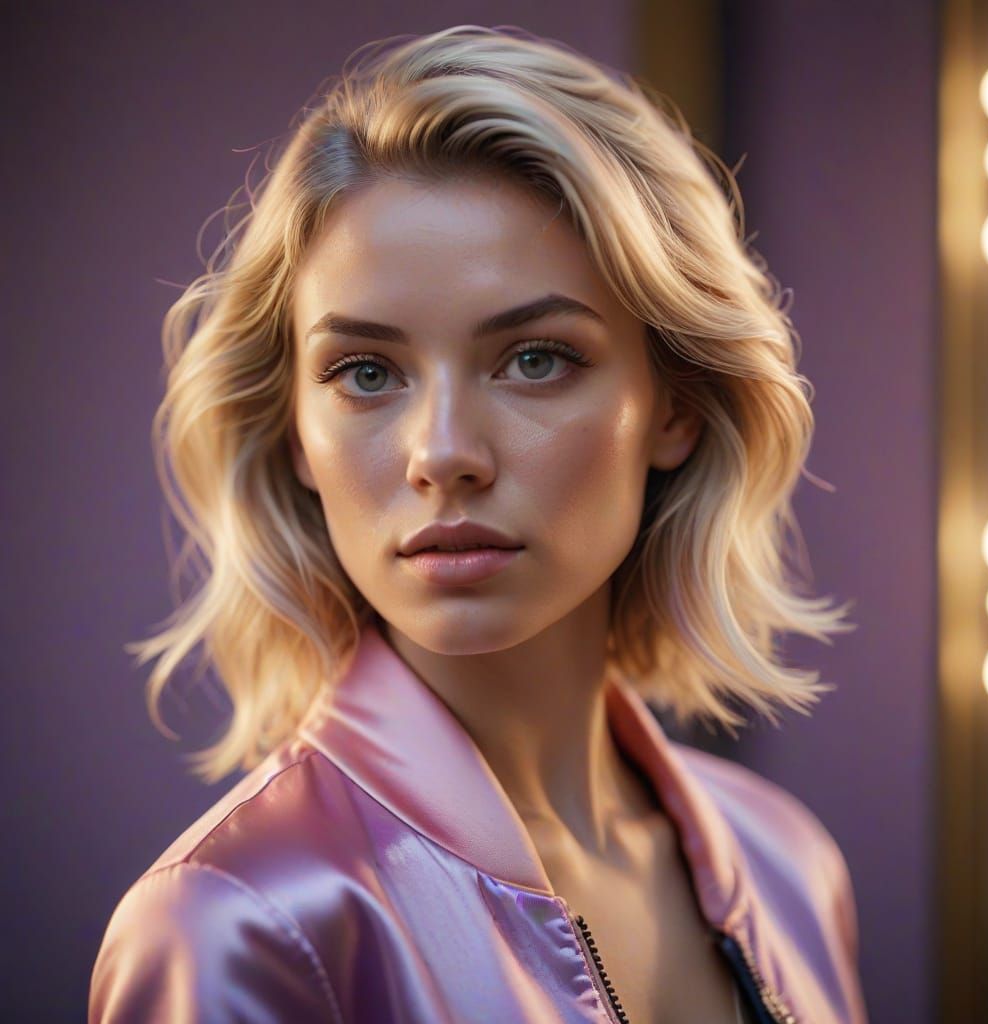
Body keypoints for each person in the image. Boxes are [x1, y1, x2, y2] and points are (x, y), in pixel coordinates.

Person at [88, 23, 869, 1024]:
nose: (441, 452)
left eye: (534, 358)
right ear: (293, 432)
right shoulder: (240, 922)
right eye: (365, 373)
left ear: (672, 404)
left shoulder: (789, 865)